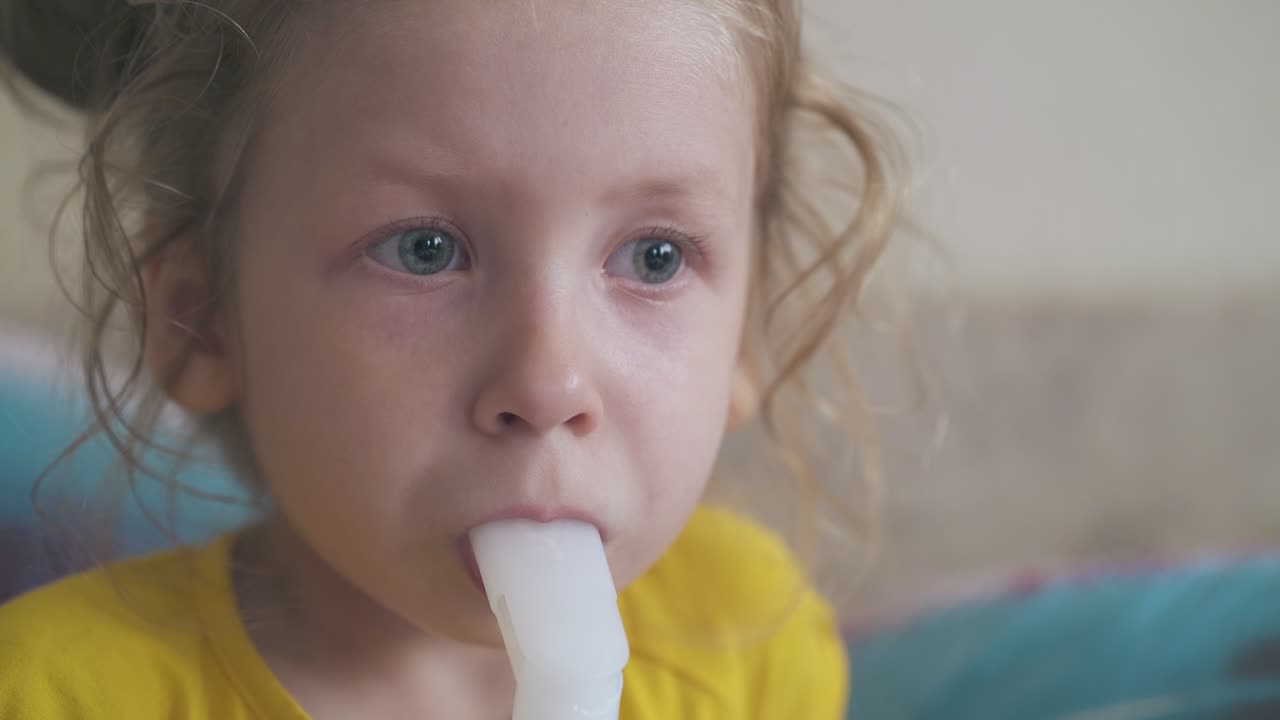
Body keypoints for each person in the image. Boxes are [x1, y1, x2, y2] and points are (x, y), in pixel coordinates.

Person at [0, 0, 907, 716]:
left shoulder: (746, 640)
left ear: (746, 332)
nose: (548, 385)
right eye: (425, 250)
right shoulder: (58, 696)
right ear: (205, 321)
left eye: (653, 257)